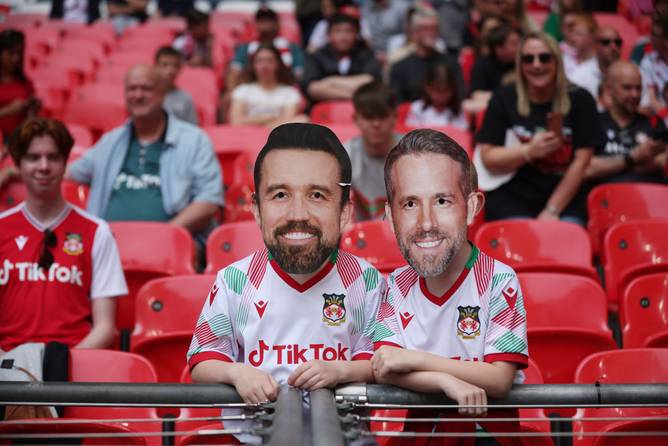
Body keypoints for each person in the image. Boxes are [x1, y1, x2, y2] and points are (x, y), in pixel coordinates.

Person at [187, 122, 383, 443]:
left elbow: (378, 362)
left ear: (346, 212)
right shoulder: (234, 281)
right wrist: (236, 373)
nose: (297, 213)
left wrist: (342, 371)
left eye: (317, 195)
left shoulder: (368, 281)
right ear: (256, 209)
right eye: (280, 194)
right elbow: (203, 358)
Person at [373, 128, 528, 445]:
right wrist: (446, 381)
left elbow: (498, 380)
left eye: (442, 200)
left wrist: (418, 360)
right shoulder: (396, 285)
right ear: (390, 216)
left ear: (472, 207)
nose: (426, 222)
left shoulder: (499, 279)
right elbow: (386, 367)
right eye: (410, 204)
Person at [0, 117, 127, 352]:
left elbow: (105, 328)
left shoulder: (97, 231)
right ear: (18, 164)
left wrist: (62, 364)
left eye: (53, 157)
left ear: (65, 162)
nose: (44, 166)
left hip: (73, 368)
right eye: (33, 157)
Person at [67, 65, 223, 240]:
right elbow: (70, 173)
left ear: (163, 94)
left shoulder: (195, 140)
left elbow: (209, 201)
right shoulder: (111, 141)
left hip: (171, 243)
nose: (138, 95)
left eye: (146, 89)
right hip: (109, 244)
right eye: (132, 89)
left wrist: (162, 235)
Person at [476, 32, 604, 225]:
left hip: (565, 197)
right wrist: (529, 151)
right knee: (517, 245)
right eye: (528, 59)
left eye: (544, 57)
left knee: (565, 242)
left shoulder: (581, 99)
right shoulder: (503, 99)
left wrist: (552, 210)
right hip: (513, 195)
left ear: (557, 62)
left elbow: (581, 163)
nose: (537, 65)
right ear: (520, 65)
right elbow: (488, 158)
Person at [586, 61, 667, 184]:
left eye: (638, 88)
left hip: (647, 197)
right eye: (627, 88)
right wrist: (634, 158)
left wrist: (610, 165)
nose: (635, 94)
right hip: (604, 198)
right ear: (609, 89)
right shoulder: (593, 123)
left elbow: (662, 160)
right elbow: (586, 168)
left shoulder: (654, 123)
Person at [345, 81, 402, 221]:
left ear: (394, 117)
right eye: (368, 117)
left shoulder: (414, 152)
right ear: (356, 119)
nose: (376, 124)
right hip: (363, 235)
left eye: (382, 117)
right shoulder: (345, 155)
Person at [389, 6, 465, 104]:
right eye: (425, 28)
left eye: (434, 28)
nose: (431, 33)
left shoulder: (451, 62)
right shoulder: (399, 67)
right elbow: (397, 102)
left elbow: (461, 94)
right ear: (414, 32)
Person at [301, 13, 381, 103]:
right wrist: (351, 95)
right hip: (325, 109)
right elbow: (312, 88)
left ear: (356, 34)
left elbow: (370, 80)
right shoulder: (316, 57)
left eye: (349, 31)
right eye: (338, 31)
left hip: (363, 108)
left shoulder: (366, 54)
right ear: (328, 35)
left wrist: (330, 81)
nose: (343, 37)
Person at [229, 44, 306, 127]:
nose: (264, 66)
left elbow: (288, 124)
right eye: (259, 61)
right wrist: (267, 118)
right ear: (253, 65)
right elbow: (235, 121)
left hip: (277, 137)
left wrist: (253, 122)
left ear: (278, 64)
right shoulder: (242, 90)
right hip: (247, 135)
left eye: (270, 61)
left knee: (303, 119)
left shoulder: (290, 92)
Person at [228, 7, 305, 90]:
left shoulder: (291, 48)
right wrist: (232, 92)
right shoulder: (245, 48)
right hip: (251, 91)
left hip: (284, 91)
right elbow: (234, 73)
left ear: (277, 23)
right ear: (256, 23)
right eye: (261, 20)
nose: (265, 24)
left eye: (269, 20)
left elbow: (299, 74)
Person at [469, 20, 521, 110]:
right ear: (499, 48)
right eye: (514, 44)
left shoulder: (524, 64)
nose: (520, 47)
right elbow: (477, 95)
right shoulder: (482, 65)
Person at [0, 30, 40, 142]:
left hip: (20, 138)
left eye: (19, 54)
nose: (15, 59)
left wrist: (32, 107)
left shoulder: (24, 82)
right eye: (11, 53)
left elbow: (32, 119)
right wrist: (8, 110)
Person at [405, 64, 468, 130]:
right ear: (427, 88)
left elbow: (463, 133)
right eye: (438, 91)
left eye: (446, 91)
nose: (442, 96)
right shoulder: (417, 108)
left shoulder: (457, 110)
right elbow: (411, 133)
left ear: (453, 90)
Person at [569, 26, 622, 101]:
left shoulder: (633, 74)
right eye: (606, 42)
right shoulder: (578, 77)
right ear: (595, 46)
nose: (613, 47)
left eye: (617, 42)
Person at [154, 46, 199, 125]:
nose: (170, 70)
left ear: (180, 69)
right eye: (165, 65)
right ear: (156, 67)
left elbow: (193, 128)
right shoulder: (147, 95)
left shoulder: (186, 98)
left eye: (175, 65)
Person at [640, 14, 668, 113]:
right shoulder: (648, 60)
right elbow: (650, 101)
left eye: (654, 34)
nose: (650, 37)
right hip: (660, 117)